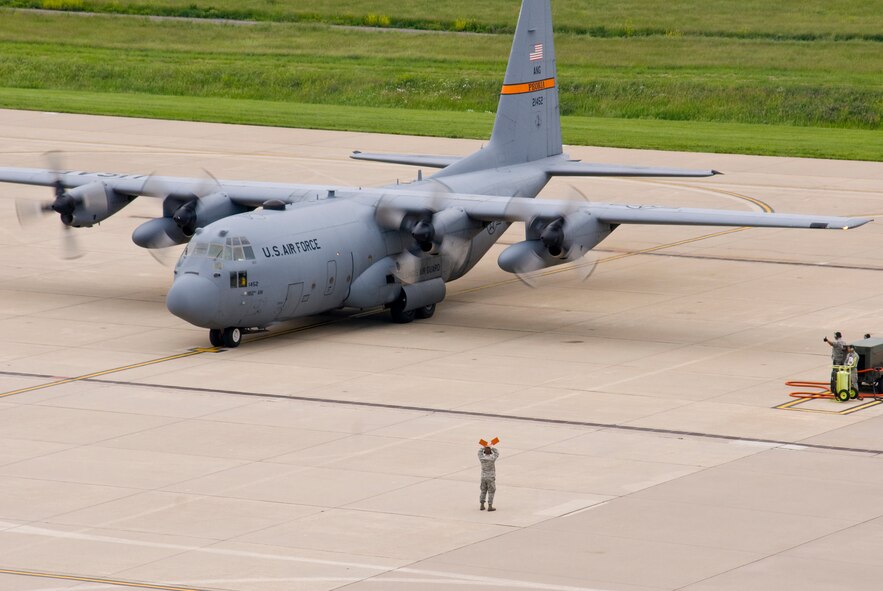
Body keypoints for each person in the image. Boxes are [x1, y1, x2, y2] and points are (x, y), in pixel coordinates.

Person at [478, 446, 499, 511]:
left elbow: (479, 452)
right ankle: (490, 506)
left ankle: (482, 505)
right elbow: (497, 453)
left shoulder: (482, 458)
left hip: (483, 477)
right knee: (491, 491)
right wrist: (492, 447)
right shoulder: (492, 458)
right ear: (490, 452)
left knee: (483, 491)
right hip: (490, 477)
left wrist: (483, 447)